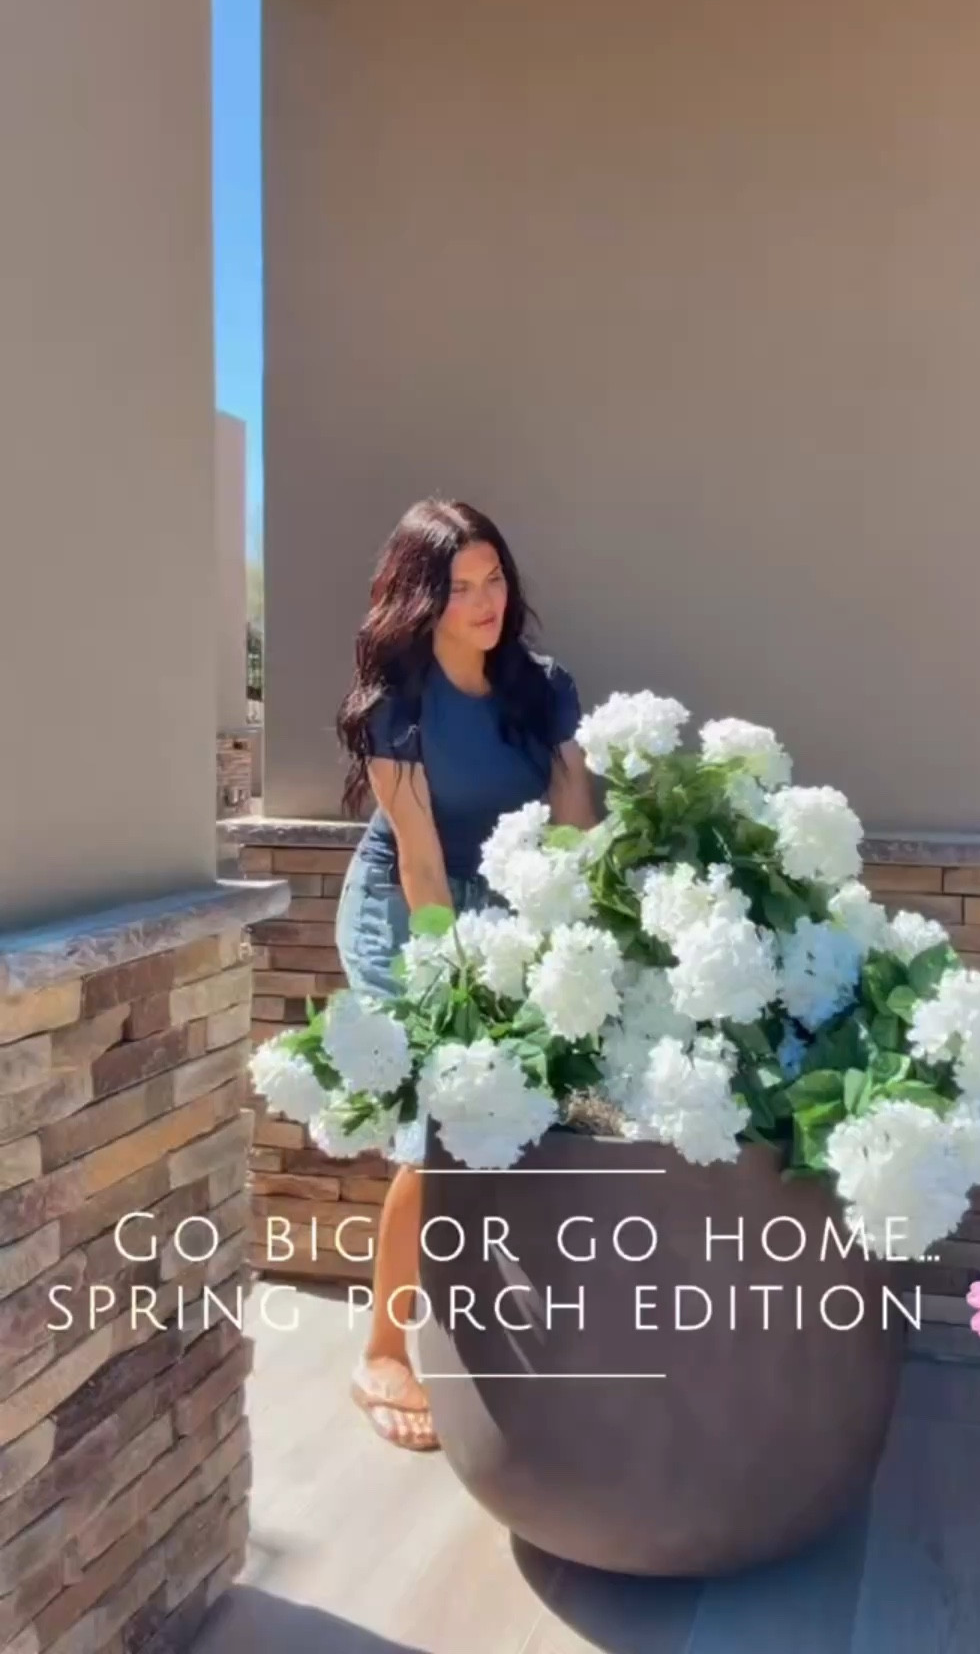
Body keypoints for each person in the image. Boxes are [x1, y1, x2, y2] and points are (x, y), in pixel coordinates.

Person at [334, 498, 596, 1449]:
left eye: (495, 581)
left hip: (511, 894)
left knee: (538, 1102)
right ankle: (382, 1351)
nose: (485, 603)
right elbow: (418, 860)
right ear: (420, 599)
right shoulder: (394, 702)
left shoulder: (543, 686)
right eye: (460, 587)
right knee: (438, 1115)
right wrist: (448, 978)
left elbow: (574, 822)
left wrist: (571, 940)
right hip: (408, 904)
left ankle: (497, 1320)